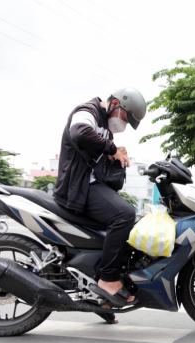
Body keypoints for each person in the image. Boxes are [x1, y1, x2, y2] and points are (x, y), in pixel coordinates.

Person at [53, 88, 146, 317]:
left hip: (89, 186)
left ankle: (100, 300)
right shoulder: (88, 112)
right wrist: (112, 149)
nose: (124, 124)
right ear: (115, 103)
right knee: (124, 215)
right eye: (125, 117)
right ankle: (107, 280)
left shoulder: (105, 128)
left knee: (121, 227)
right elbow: (80, 133)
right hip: (78, 188)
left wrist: (114, 154)